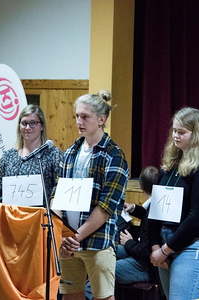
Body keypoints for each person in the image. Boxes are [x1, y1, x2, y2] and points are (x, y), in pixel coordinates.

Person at [149, 107, 199, 300]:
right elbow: (156, 209)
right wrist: (155, 246)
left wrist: (165, 250)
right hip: (168, 244)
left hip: (195, 245)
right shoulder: (171, 167)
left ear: (198, 135)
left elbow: (197, 218)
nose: (175, 135)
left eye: (181, 132)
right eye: (174, 130)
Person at [59, 90, 129, 300]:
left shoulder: (113, 155)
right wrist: (62, 234)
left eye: (85, 116)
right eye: (77, 116)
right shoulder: (71, 151)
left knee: (104, 297)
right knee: (70, 295)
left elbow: (106, 207)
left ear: (101, 119)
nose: (79, 121)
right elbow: (58, 194)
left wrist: (76, 236)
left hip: (97, 242)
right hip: (68, 239)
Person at [0, 104, 63, 203]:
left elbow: (59, 188)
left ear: (42, 126)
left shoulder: (53, 154)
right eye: (24, 123)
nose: (27, 127)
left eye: (33, 123)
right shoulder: (8, 157)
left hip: (40, 217)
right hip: (12, 216)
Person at [116, 166, 159, 285]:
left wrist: (129, 242)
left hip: (147, 266)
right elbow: (147, 216)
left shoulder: (156, 208)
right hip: (140, 252)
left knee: (106, 267)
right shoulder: (157, 202)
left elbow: (145, 252)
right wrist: (134, 208)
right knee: (107, 252)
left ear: (142, 187)